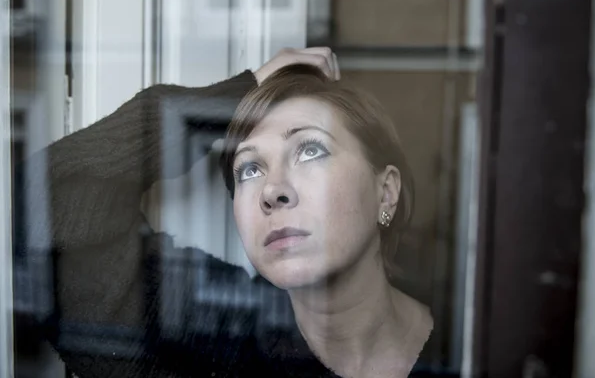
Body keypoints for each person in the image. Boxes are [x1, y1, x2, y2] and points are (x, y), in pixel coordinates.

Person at [19, 47, 432, 377]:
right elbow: (35, 199)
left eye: (310, 150)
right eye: (250, 168)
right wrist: (237, 94)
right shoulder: (216, 342)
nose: (272, 190)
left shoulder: (476, 337)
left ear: (386, 192)